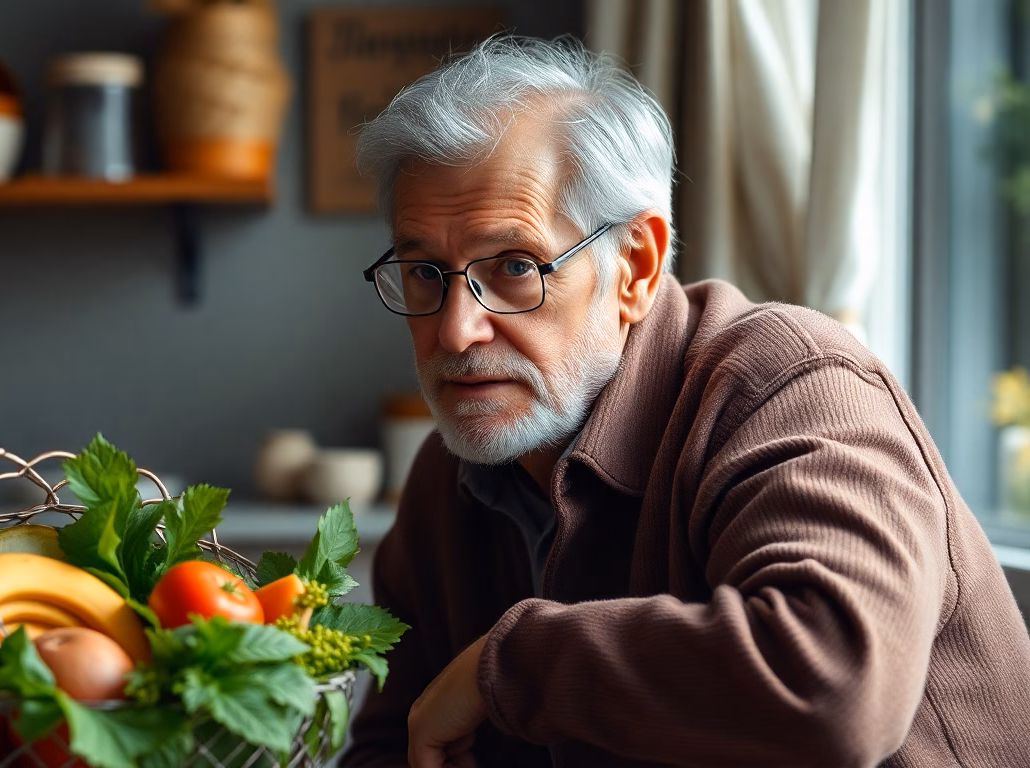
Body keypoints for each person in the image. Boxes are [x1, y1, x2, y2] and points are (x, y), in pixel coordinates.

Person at [340, 35, 1030, 768]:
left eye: (514, 266)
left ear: (634, 268)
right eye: (424, 272)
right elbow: (395, 744)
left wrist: (510, 668)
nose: (454, 329)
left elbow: (832, 689)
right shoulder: (444, 477)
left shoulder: (790, 382)